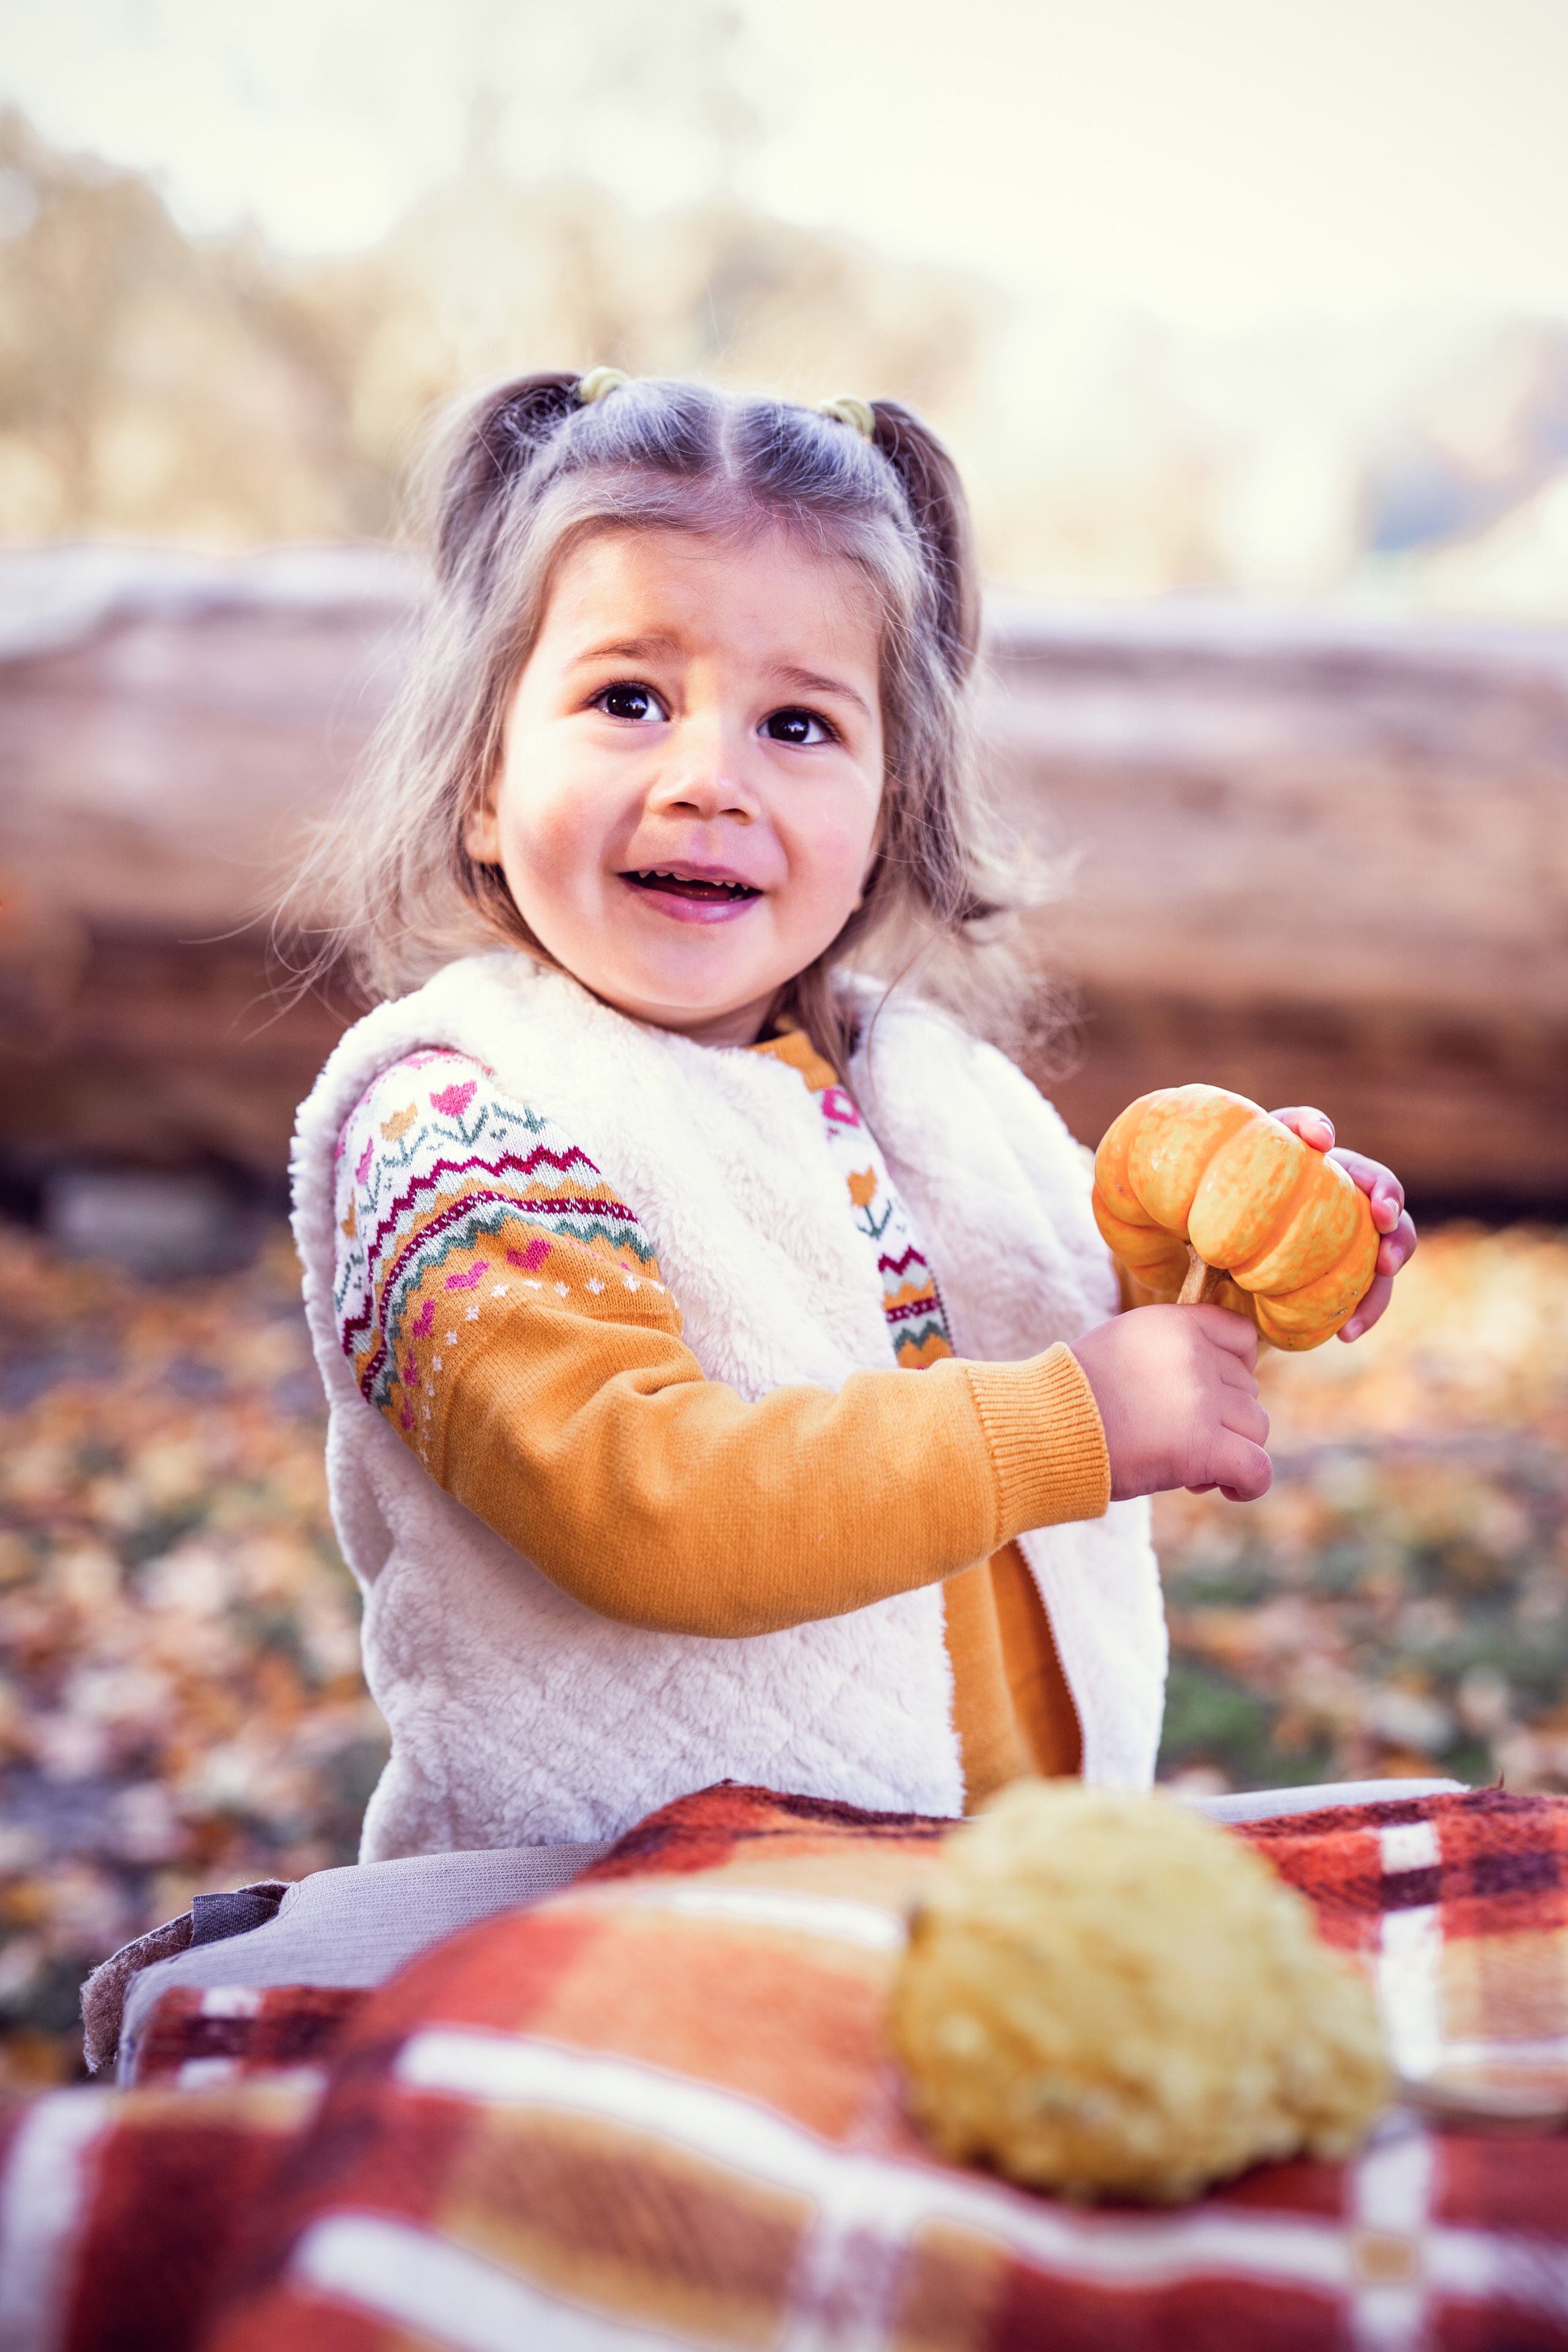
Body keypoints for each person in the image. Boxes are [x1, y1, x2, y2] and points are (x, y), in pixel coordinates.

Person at [290, 369, 1416, 1863]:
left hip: (993, 1874)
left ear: (890, 803)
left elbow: (1067, 1320)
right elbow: (639, 1501)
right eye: (627, 699)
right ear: (485, 779)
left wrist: (1235, 1244)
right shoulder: (456, 1125)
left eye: (799, 726)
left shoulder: (909, 1079)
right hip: (625, 1912)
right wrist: (1079, 1417)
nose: (707, 779)